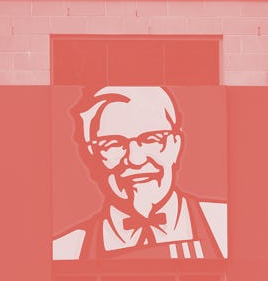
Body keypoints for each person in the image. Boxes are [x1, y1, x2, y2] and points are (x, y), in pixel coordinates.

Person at [53, 86, 227, 261]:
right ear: (92, 155)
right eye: (113, 143)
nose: (135, 159)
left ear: (176, 145)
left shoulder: (222, 225)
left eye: (151, 139)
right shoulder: (67, 249)